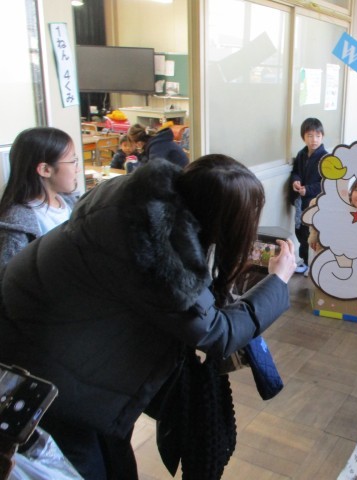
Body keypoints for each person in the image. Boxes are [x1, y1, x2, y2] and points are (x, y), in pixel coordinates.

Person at [0, 155, 297, 479]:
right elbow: (218, 333)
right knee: (92, 468)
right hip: (51, 380)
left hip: (37, 345)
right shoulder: (159, 257)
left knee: (113, 461)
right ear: (219, 219)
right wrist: (279, 280)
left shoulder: (139, 200)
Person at [0, 127, 78, 267]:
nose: (77, 169)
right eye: (73, 161)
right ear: (45, 170)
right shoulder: (17, 222)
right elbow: (9, 275)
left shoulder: (72, 203)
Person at [289, 117, 327, 274]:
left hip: (314, 202)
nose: (314, 140)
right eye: (310, 136)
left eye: (318, 136)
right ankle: (305, 262)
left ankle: (314, 264)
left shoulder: (326, 158)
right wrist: (296, 181)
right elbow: (295, 172)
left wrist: (308, 190)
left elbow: (325, 183)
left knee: (312, 234)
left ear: (322, 137)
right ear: (303, 137)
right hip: (301, 202)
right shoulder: (302, 154)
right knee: (300, 231)